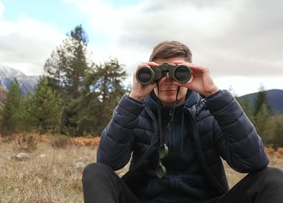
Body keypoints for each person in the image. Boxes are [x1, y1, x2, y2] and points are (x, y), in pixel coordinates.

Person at [82, 40, 283, 203]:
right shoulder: (137, 112)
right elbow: (107, 163)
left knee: (272, 177)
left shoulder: (210, 112)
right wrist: (133, 99)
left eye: (178, 72)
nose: (168, 80)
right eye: (160, 72)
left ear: (190, 73)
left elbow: (254, 162)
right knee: (95, 172)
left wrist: (214, 94)